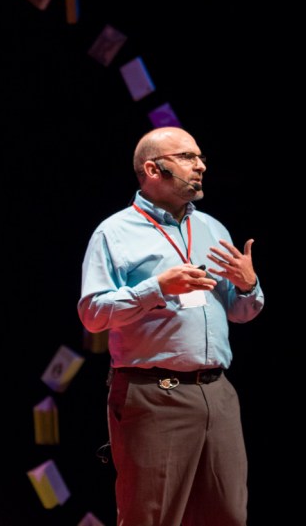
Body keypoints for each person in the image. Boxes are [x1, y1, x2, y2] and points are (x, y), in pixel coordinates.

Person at [77, 126, 264, 526]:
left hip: (217, 392)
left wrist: (249, 287)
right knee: (153, 517)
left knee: (228, 516)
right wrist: (156, 288)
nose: (201, 166)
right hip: (153, 394)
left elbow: (239, 312)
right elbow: (92, 314)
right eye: (187, 157)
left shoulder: (213, 229)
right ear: (152, 168)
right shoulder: (114, 233)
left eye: (200, 157)